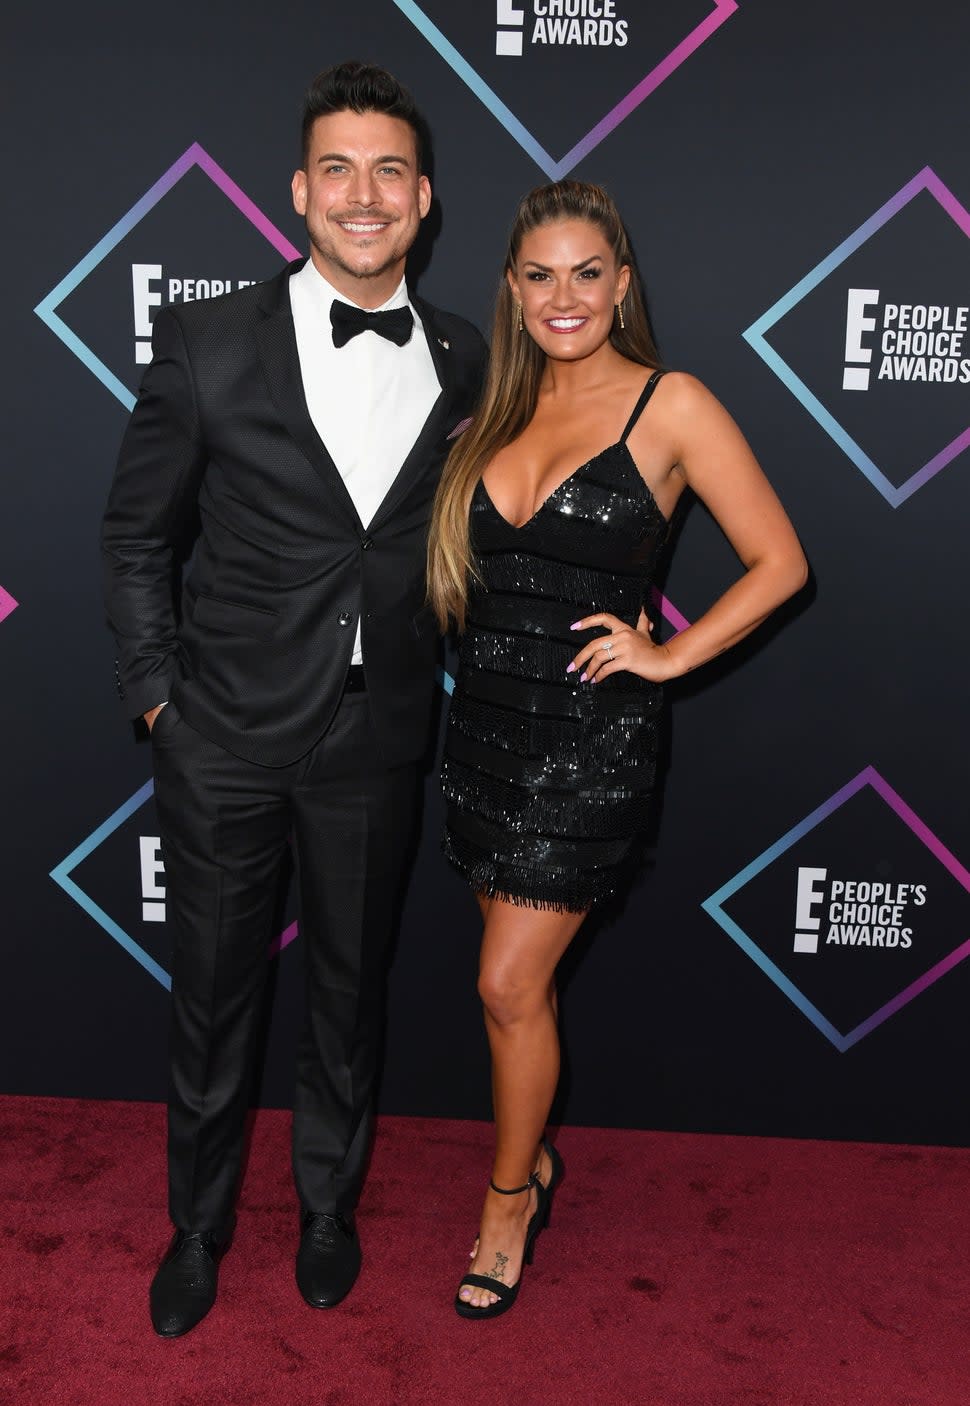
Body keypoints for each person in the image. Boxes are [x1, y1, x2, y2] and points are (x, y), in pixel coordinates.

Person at [102, 61, 486, 1338]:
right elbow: (134, 534)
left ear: (423, 200)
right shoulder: (211, 339)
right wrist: (160, 697)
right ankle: (197, 1227)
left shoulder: (468, 356)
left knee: (346, 991)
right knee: (212, 997)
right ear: (298, 192)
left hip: (376, 740)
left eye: (388, 171)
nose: (362, 195)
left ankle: (328, 1203)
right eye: (338, 169)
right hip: (223, 736)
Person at [427, 180, 807, 1318]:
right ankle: (530, 1155)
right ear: (511, 288)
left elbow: (779, 561)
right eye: (538, 274)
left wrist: (667, 656)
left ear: (623, 283)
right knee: (507, 995)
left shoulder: (671, 403)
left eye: (587, 272)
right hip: (483, 735)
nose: (563, 296)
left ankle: (508, 1200)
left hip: (587, 750)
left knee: (505, 982)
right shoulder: (488, 412)